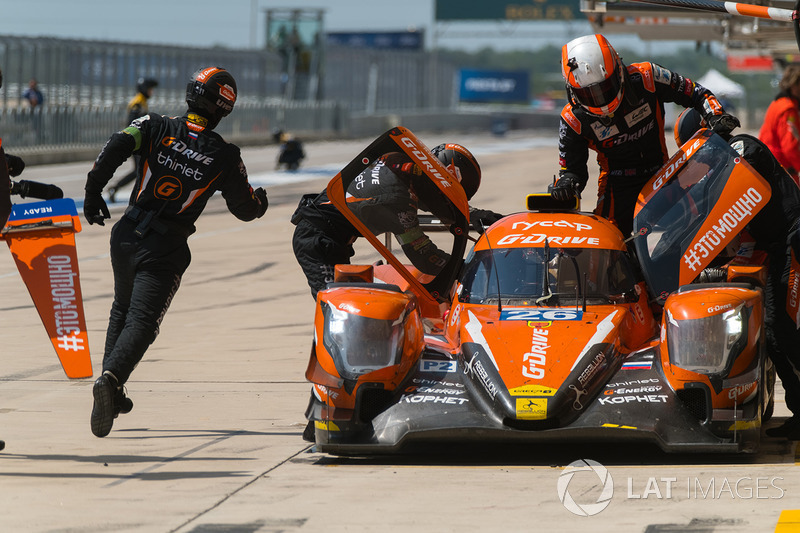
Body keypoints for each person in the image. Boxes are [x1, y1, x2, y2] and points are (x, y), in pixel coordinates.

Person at [83, 66, 269, 438]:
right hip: (165, 246)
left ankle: (110, 387)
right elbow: (245, 210)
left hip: (125, 235)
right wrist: (261, 201)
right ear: (223, 108)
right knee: (143, 321)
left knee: (122, 309)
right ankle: (111, 378)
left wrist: (92, 191)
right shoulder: (225, 155)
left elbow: (116, 144)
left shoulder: (152, 123)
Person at [675, 108, 800, 440]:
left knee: (786, 329)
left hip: (793, 239)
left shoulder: (744, 149)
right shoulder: (721, 167)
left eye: (695, 153)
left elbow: (723, 203)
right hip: (775, 245)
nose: (696, 165)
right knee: (774, 333)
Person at [552, 33, 739, 237]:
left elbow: (696, 92)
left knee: (702, 229)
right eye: (589, 94)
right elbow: (573, 171)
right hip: (616, 185)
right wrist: (567, 185)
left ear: (619, 70)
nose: (600, 99)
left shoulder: (647, 76)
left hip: (663, 174)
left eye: (605, 87)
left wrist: (716, 115)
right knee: (608, 240)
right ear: (572, 91)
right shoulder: (572, 119)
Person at [291, 143, 501, 300]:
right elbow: (424, 257)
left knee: (342, 302)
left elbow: (429, 197)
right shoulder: (397, 199)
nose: (446, 202)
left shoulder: (396, 161)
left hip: (328, 235)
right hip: (317, 240)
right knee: (335, 305)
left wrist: (472, 214)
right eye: (449, 194)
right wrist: (470, 270)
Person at [107, 77, 159, 202]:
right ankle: (118, 189)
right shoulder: (137, 103)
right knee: (140, 170)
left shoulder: (142, 102)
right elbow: (133, 123)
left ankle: (117, 188)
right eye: (150, 89)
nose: (151, 92)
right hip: (136, 142)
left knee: (141, 170)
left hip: (140, 142)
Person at [759, 65, 800, 186]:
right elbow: (789, 146)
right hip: (783, 170)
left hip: (770, 165)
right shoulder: (788, 109)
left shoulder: (777, 103)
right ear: (794, 86)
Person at [22, 78, 44, 143]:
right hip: (28, 112)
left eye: (34, 84)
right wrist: (30, 101)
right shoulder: (27, 93)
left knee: (37, 126)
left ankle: (38, 139)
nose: (32, 85)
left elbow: (41, 100)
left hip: (37, 113)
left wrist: (36, 102)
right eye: (31, 83)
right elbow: (23, 99)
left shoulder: (39, 93)